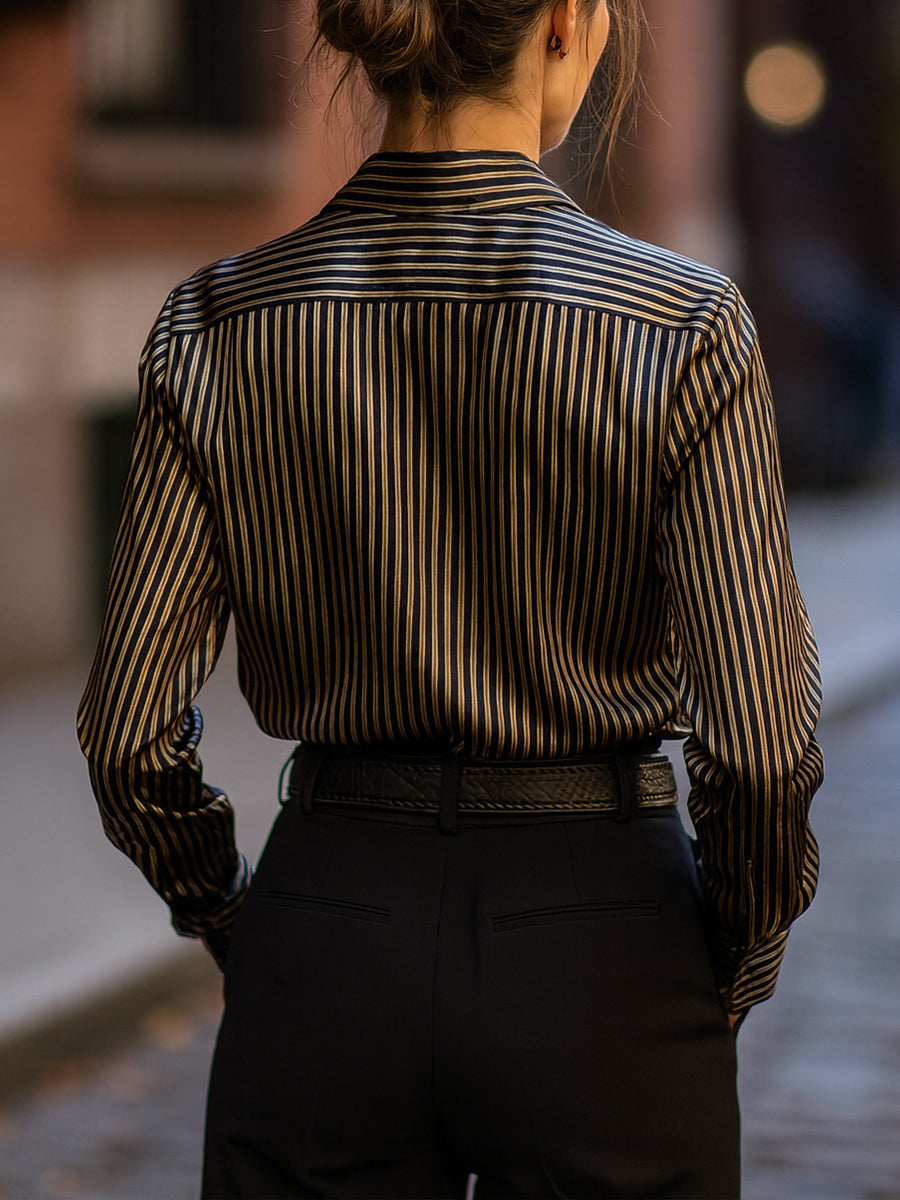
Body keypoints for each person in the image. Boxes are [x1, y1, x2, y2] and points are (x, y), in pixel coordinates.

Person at [76, 0, 823, 1195]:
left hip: (328, 924)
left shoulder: (214, 324)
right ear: (570, 23)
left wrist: (234, 913)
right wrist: (728, 951)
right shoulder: (684, 328)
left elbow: (126, 736)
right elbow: (767, 751)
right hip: (606, 936)